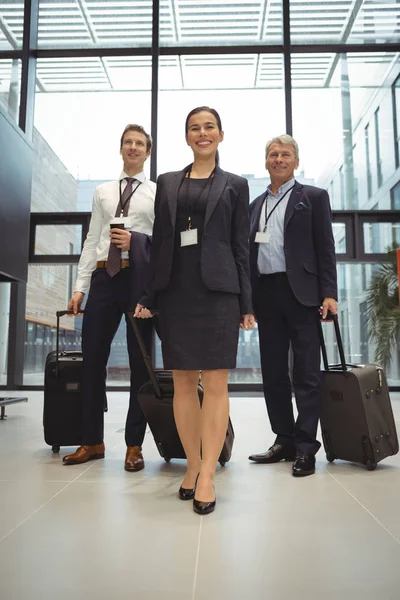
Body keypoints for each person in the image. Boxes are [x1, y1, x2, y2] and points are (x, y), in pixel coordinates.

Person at [135, 107, 255, 514]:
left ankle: (208, 473)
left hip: (219, 293)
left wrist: (246, 303)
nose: (202, 133)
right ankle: (192, 465)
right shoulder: (167, 182)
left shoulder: (236, 185)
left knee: (216, 383)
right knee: (184, 383)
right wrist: (150, 295)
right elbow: (161, 242)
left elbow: (241, 248)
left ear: (221, 134)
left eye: (208, 127)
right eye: (194, 128)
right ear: (186, 137)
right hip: (176, 293)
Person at [63, 124, 156, 472]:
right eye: (128, 143)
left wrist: (138, 243)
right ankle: (92, 441)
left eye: (140, 144)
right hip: (105, 276)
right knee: (92, 361)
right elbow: (92, 239)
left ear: (147, 152)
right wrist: (80, 286)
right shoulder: (102, 191)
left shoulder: (157, 194)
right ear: (121, 149)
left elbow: (161, 244)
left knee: (140, 364)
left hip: (139, 279)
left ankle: (134, 445)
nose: (133, 148)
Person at [248, 134, 338, 477]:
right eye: (273, 154)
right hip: (266, 294)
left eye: (286, 154)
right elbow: (248, 253)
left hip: (302, 294)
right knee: (272, 373)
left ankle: (305, 447)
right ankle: (283, 439)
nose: (279, 159)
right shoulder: (256, 205)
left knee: (306, 374)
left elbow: (325, 247)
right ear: (266, 161)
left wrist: (329, 292)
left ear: (296, 162)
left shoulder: (312, 197)